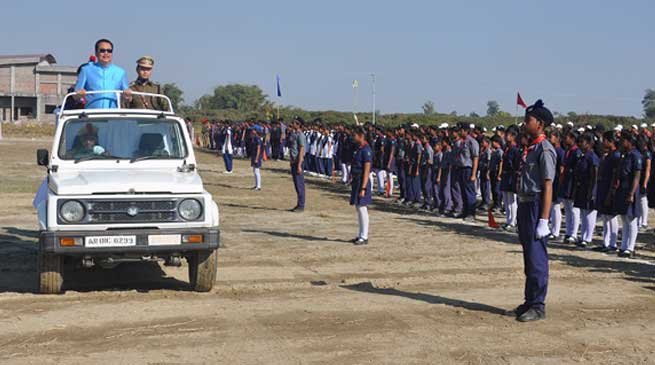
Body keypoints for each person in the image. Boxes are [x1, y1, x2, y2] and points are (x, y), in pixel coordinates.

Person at [511, 99, 556, 322]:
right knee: (529, 256)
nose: (524, 122)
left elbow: (548, 184)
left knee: (537, 257)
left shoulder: (545, 150)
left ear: (540, 123)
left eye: (528, 119)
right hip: (525, 203)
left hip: (537, 205)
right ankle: (529, 300)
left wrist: (544, 219)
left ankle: (538, 305)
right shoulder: (531, 148)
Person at [75, 39, 131, 109]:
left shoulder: (121, 72)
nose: (106, 53)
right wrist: (79, 94)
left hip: (112, 115)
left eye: (109, 51)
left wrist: (127, 96)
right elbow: (76, 95)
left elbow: (127, 97)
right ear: (96, 53)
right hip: (92, 115)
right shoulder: (86, 70)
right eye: (102, 50)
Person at [592, 131, 622, 252]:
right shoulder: (608, 155)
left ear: (611, 141)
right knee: (605, 216)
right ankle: (606, 242)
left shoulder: (616, 156)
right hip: (603, 188)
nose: (603, 143)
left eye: (605, 140)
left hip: (609, 189)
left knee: (611, 217)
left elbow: (615, 176)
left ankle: (613, 244)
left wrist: (611, 192)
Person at [615, 132, 643, 258]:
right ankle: (624, 246)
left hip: (631, 189)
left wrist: (632, 193)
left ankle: (630, 247)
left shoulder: (635, 155)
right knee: (624, 219)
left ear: (628, 141)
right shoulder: (625, 155)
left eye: (622, 140)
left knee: (631, 219)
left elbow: (637, 176)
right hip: (623, 189)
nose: (620, 143)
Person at [572, 133, 600, 248]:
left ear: (588, 144)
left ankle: (588, 238)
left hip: (589, 188)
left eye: (582, 142)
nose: (579, 144)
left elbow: (595, 176)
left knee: (589, 214)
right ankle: (583, 236)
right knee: (583, 214)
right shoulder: (583, 156)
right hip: (581, 187)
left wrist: (592, 191)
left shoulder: (592, 157)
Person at [350, 126, 373, 245]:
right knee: (358, 208)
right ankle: (360, 234)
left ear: (361, 136)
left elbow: (367, 170)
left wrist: (363, 187)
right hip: (356, 180)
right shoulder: (359, 148)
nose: (353, 137)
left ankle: (364, 236)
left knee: (362, 208)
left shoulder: (366, 150)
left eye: (354, 135)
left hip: (362, 181)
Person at [289, 117, 307, 212]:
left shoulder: (301, 135)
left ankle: (301, 205)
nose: (292, 124)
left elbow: (301, 150)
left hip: (298, 162)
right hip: (294, 161)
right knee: (296, 184)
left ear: (298, 124)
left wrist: (299, 164)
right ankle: (299, 204)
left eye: (294, 123)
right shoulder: (294, 134)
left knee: (300, 184)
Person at [250, 126, 263, 191]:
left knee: (257, 171)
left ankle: (258, 186)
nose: (252, 131)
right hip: (253, 155)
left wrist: (257, 158)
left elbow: (258, 149)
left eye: (253, 130)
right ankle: (256, 185)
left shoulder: (258, 139)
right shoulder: (254, 138)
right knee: (254, 171)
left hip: (256, 156)